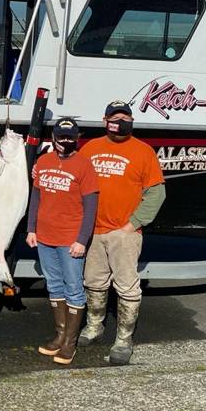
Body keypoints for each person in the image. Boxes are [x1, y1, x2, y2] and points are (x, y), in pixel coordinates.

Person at [78, 100, 166, 365]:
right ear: (105, 121)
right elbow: (74, 179)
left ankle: (124, 340)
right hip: (93, 232)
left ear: (131, 121)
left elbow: (156, 193)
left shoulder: (143, 151)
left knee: (127, 288)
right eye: (114, 118)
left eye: (125, 118)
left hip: (125, 233)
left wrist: (132, 224)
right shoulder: (90, 148)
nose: (120, 123)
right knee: (94, 283)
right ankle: (94, 326)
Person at [25, 117, 98, 366]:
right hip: (44, 237)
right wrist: (30, 228)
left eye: (70, 137)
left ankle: (70, 342)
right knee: (54, 285)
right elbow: (36, 198)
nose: (65, 141)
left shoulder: (84, 165)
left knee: (74, 288)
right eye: (60, 136)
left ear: (76, 138)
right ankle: (59, 335)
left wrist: (81, 240)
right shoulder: (42, 162)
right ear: (53, 137)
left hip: (70, 240)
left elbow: (90, 208)